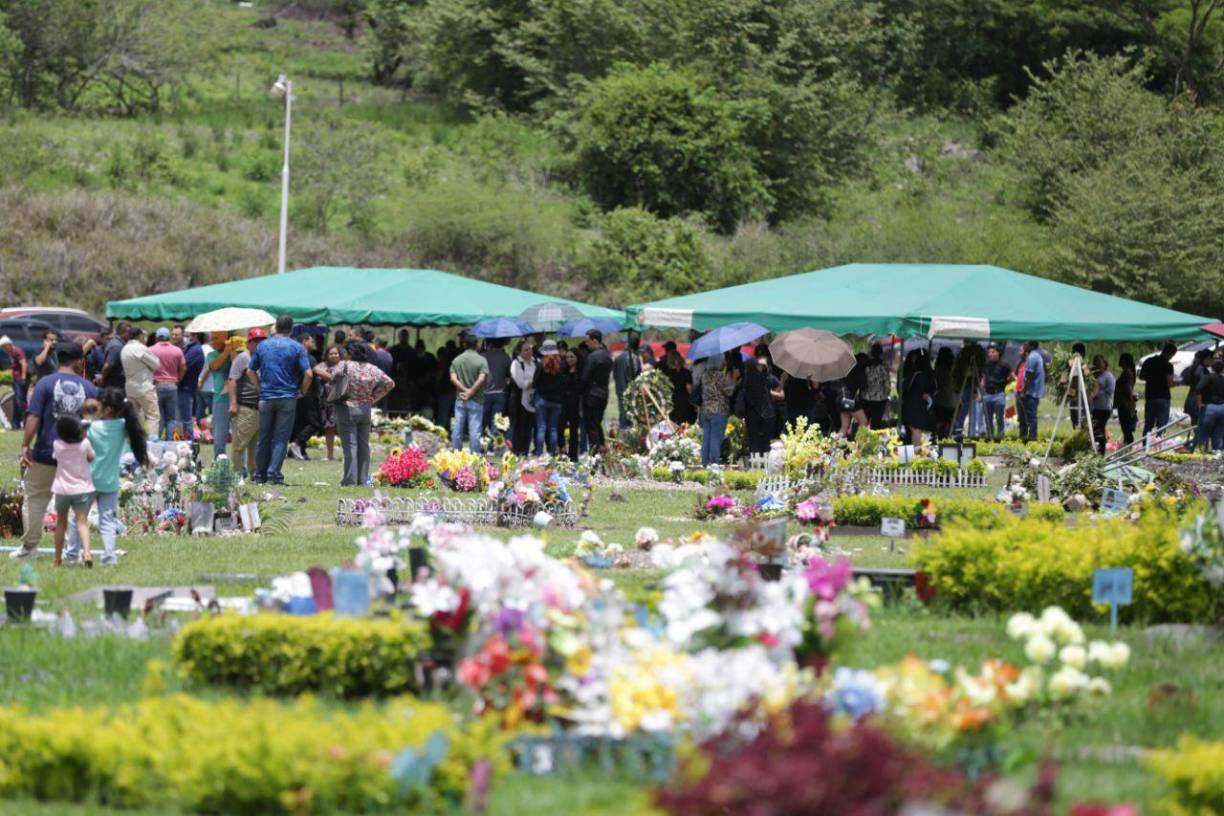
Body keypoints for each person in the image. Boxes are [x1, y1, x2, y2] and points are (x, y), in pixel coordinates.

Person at [12, 341, 97, 561]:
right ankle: (72, 551)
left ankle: (30, 548)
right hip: (77, 457)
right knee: (75, 505)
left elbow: (34, 416)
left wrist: (25, 444)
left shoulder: (45, 383)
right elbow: (95, 423)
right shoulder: (89, 388)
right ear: (79, 361)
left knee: (36, 497)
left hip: (46, 451)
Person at [314, 341, 394, 487]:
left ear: (350, 353)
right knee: (364, 446)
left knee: (350, 446)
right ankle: (362, 480)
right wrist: (373, 398)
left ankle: (350, 480)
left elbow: (331, 377)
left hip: (347, 407)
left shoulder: (345, 365)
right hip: (365, 409)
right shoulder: (373, 368)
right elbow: (390, 383)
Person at [250, 314, 312, 485]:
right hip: (287, 397)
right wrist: (302, 391)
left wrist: (259, 388)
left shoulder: (263, 346)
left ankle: (260, 476)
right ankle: (274, 475)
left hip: (266, 397)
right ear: (292, 329)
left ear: (276, 327)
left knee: (264, 437)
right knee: (280, 438)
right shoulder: (297, 347)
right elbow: (308, 374)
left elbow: (250, 371)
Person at [88, 388, 148, 567]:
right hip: (110, 482)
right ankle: (109, 557)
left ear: (107, 409)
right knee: (108, 522)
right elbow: (132, 427)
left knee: (79, 519)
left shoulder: (93, 427)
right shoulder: (123, 426)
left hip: (89, 480)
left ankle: (73, 552)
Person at [50, 414, 94, 568]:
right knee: (82, 522)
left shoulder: (57, 444)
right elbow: (91, 457)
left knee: (61, 524)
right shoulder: (85, 443)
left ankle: (57, 558)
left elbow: (55, 457)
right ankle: (87, 553)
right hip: (81, 488)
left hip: (62, 489)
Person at [227, 329, 264, 478]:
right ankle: (236, 474)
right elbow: (232, 380)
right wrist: (233, 404)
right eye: (256, 342)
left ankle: (254, 473)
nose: (259, 344)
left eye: (262, 341)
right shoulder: (243, 357)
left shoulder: (262, 358)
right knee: (239, 444)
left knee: (255, 445)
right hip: (245, 407)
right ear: (249, 343)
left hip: (260, 407)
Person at [449, 335, 489, 453]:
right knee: (475, 431)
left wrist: (464, 390)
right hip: (477, 400)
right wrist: (471, 391)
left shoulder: (457, 360)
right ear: (477, 345)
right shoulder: (482, 360)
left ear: (464, 344)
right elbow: (482, 379)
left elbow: (453, 379)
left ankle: (456, 454)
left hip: (460, 399)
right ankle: (474, 456)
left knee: (457, 429)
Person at [698, 355, 738, 466]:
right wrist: (735, 380)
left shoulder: (704, 375)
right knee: (716, 438)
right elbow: (729, 392)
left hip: (705, 410)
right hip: (718, 411)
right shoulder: (721, 376)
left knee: (706, 438)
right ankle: (714, 463)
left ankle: (705, 463)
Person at [201, 332, 236, 459]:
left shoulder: (236, 352)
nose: (212, 342)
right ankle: (219, 462)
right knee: (220, 435)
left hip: (238, 399)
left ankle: (241, 467)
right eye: (211, 339)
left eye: (216, 338)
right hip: (220, 399)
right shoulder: (212, 355)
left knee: (240, 436)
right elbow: (214, 366)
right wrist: (226, 351)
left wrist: (232, 352)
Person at [120, 327, 160, 435]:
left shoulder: (124, 349)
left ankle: (134, 440)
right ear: (140, 336)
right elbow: (156, 364)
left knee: (134, 417)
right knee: (152, 416)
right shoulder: (140, 348)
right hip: (144, 387)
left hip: (130, 389)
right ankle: (153, 441)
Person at [742, 345, 782, 454]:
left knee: (759, 442)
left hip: (760, 414)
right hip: (760, 414)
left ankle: (759, 461)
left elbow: (781, 394)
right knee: (758, 442)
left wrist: (771, 392)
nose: (761, 367)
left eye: (763, 365)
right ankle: (760, 461)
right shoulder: (751, 378)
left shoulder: (769, 378)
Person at [289, 333, 322, 461]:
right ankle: (297, 443)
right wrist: (333, 377)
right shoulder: (307, 356)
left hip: (297, 393)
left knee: (301, 423)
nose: (313, 344)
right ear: (304, 342)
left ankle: (300, 450)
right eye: (311, 341)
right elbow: (315, 372)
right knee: (315, 423)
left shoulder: (294, 356)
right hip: (308, 394)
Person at [579, 329, 613, 453]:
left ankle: (595, 454)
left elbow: (585, 378)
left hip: (591, 395)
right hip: (603, 394)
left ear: (594, 341)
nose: (586, 344)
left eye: (587, 341)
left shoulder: (592, 357)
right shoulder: (607, 355)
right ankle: (602, 448)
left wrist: (578, 390)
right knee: (597, 424)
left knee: (592, 426)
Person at [149, 327, 185, 440]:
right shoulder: (177, 350)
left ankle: (156, 441)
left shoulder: (150, 350)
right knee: (171, 418)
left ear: (156, 338)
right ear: (169, 337)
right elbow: (183, 367)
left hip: (157, 385)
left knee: (157, 417)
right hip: (172, 385)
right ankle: (170, 441)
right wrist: (178, 379)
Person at [533, 340, 566, 455]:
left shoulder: (541, 364)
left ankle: (539, 454)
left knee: (541, 428)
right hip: (557, 401)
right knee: (553, 428)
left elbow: (535, 382)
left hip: (542, 399)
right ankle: (551, 453)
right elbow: (563, 383)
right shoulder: (561, 365)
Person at [312, 345, 344, 461]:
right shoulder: (321, 365)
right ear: (326, 355)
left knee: (342, 428)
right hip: (324, 402)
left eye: (336, 353)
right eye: (331, 353)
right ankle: (330, 455)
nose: (334, 355)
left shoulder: (344, 366)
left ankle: (347, 455)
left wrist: (323, 374)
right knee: (329, 428)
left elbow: (337, 380)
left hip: (340, 402)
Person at [1139, 343, 1176, 436]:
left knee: (1148, 424)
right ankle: (1159, 442)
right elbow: (1170, 383)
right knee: (1162, 424)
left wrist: (1151, 377)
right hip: (1163, 397)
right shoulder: (1168, 365)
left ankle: (1145, 442)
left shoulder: (1149, 361)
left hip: (1150, 396)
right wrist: (1176, 383)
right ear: (1171, 354)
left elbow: (1141, 376)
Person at [901, 349, 935, 447]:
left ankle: (914, 452)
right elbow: (932, 390)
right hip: (921, 408)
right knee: (917, 431)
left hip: (912, 407)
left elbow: (904, 389)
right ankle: (915, 452)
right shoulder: (930, 374)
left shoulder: (914, 374)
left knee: (915, 431)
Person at [979, 345, 1012, 442]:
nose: (990, 354)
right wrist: (980, 393)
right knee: (988, 419)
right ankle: (990, 438)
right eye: (989, 352)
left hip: (999, 394)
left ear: (998, 353)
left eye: (993, 352)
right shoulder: (986, 365)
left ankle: (1000, 437)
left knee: (999, 418)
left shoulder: (1004, 365)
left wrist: (1006, 384)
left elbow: (1011, 376)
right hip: (987, 394)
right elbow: (983, 379)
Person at [509, 340, 537, 454]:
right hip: (519, 400)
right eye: (525, 350)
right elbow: (521, 383)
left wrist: (533, 383)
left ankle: (525, 451)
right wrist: (535, 383)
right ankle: (516, 452)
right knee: (519, 427)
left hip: (533, 400)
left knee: (529, 428)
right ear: (519, 352)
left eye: (530, 349)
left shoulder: (536, 362)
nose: (529, 351)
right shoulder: (516, 363)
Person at [481, 338, 513, 436]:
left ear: (490, 343)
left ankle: (480, 441)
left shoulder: (483, 356)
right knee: (496, 422)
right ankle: (493, 443)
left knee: (482, 421)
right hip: (501, 393)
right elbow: (509, 375)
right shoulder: (506, 357)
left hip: (485, 392)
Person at [613, 331, 644, 430]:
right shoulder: (635, 358)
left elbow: (615, 375)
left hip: (620, 390)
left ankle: (623, 434)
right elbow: (637, 376)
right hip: (631, 391)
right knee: (629, 418)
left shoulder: (618, 358)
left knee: (622, 414)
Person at [178, 332, 205, 439]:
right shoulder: (190, 348)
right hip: (183, 387)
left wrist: (177, 379)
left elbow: (183, 365)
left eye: (188, 335)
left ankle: (190, 441)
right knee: (183, 418)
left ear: (195, 336)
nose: (186, 338)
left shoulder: (196, 350)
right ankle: (183, 439)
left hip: (186, 387)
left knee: (186, 419)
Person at [1193, 358, 1224, 451]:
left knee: (1203, 432)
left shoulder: (1207, 377)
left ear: (1212, 367)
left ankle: (1202, 451)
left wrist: (1199, 403)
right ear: (1222, 369)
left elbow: (1198, 389)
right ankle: (1218, 452)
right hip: (1222, 408)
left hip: (1209, 407)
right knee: (1219, 433)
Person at [860, 343, 891, 428]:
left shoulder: (865, 365)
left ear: (871, 353)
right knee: (876, 424)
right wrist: (887, 394)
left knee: (864, 423)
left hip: (865, 397)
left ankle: (862, 436)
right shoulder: (884, 366)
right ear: (881, 353)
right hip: (880, 399)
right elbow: (887, 384)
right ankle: (873, 436)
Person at [1088, 355, 1115, 454]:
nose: (1098, 364)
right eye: (1096, 362)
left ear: (1104, 363)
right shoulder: (1094, 375)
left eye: (1100, 362)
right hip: (1095, 407)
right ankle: (1096, 450)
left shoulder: (1108, 376)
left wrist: (1097, 394)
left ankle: (1101, 451)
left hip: (1104, 407)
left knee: (1100, 429)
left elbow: (1111, 390)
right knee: (1095, 429)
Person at [1181, 349, 1212, 433]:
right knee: (1200, 428)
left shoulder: (1192, 368)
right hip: (1198, 401)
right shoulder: (1203, 371)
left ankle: (1197, 440)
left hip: (1191, 399)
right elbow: (1203, 387)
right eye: (1211, 359)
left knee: (1196, 426)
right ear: (1207, 359)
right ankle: (1199, 441)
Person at [839, 354, 869, 437]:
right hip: (848, 399)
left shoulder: (847, 368)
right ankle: (859, 443)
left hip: (840, 398)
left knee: (844, 426)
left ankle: (834, 444)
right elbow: (863, 386)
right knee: (863, 421)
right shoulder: (860, 370)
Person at [1020, 341, 1046, 441]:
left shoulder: (1032, 357)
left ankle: (1032, 438)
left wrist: (1024, 390)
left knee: (1031, 417)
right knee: (1031, 416)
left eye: (1025, 344)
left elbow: (1030, 376)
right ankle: (1032, 436)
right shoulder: (1037, 356)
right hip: (1035, 391)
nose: (1024, 346)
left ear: (1031, 346)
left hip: (1031, 392)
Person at [560, 349, 583, 459]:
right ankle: (562, 452)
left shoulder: (581, 370)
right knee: (561, 428)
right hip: (563, 403)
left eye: (572, 357)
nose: (569, 359)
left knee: (574, 430)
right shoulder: (563, 370)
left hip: (575, 404)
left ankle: (573, 455)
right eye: (567, 357)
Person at [1, 335, 28, 427]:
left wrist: (23, 377)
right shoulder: (11, 352)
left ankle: (23, 421)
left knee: (20, 402)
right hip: (16, 379)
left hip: (20, 379)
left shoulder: (17, 351)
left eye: (4, 347)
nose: (4, 349)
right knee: (16, 402)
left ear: (9, 344)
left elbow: (24, 363)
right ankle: (15, 424)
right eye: (2, 348)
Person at [662, 350, 694, 425]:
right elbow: (689, 389)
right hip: (684, 402)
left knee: (672, 425)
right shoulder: (686, 372)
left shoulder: (666, 373)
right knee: (684, 425)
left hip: (671, 402)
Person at [931, 347, 957, 440]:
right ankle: (947, 439)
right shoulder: (954, 369)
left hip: (940, 401)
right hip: (954, 402)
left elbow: (934, 384)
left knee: (939, 423)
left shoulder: (939, 369)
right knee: (949, 423)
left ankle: (939, 439)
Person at [1114, 353, 1138, 446]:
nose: (1119, 361)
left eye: (1121, 359)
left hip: (1125, 404)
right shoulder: (1127, 372)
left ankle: (1128, 446)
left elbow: (1128, 389)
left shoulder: (1127, 373)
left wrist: (1131, 404)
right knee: (1126, 428)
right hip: (1124, 403)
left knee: (1126, 428)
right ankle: (1127, 445)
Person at [99, 322, 128, 391]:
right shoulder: (117, 347)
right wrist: (102, 379)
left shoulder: (119, 344)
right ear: (124, 333)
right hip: (114, 384)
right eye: (129, 332)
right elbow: (107, 366)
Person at [1068, 343, 1087, 429]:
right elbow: (1088, 375)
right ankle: (1078, 429)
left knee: (1076, 412)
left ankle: (1077, 429)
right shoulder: (1082, 364)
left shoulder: (1071, 363)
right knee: (1077, 412)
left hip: (1074, 390)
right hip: (1078, 391)